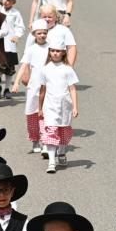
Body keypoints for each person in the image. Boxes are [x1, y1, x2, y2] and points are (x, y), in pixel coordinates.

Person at [38, 31, 80, 172]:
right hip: (50, 105)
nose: (55, 53)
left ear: (63, 53)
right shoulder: (45, 70)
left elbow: (72, 88)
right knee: (51, 131)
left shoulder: (67, 70)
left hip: (64, 105)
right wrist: (40, 108)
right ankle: (51, 161)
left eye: (58, 51)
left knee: (63, 131)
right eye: (53, 51)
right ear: (49, 52)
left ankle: (61, 152)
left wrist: (75, 106)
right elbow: (42, 90)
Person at [13, 18, 50, 152]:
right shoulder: (31, 49)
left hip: (47, 86)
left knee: (46, 113)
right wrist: (16, 82)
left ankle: (46, 141)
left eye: (44, 33)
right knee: (32, 114)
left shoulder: (51, 48)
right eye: (39, 33)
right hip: (34, 86)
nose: (42, 35)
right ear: (34, 34)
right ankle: (35, 140)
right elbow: (24, 67)